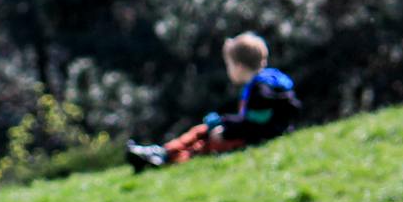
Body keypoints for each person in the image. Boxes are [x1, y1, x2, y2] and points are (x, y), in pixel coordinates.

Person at [126, 32, 302, 171]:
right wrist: (224, 123)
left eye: (229, 65)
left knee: (206, 144)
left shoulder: (261, 90)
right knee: (203, 129)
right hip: (254, 133)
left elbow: (256, 124)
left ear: (239, 66)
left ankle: (164, 159)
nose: (229, 70)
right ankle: (162, 152)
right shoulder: (267, 82)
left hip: (255, 138)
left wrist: (225, 128)